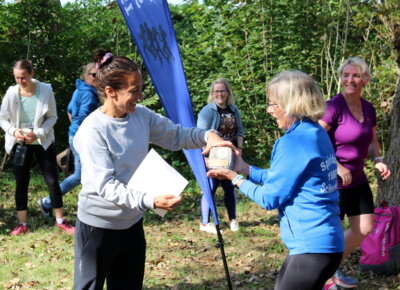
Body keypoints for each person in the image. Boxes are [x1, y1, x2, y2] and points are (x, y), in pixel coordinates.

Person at [72, 49, 236, 289]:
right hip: (98, 227)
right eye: (133, 90)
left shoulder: (141, 116)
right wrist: (151, 201)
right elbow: (106, 186)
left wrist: (207, 136)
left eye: (140, 88)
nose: (140, 96)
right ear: (110, 92)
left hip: (131, 225)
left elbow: (176, 135)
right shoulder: (92, 131)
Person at [207, 70, 344, 290]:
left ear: (291, 105)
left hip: (310, 247)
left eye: (273, 104)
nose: (270, 111)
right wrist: (246, 169)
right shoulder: (316, 132)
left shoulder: (292, 141)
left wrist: (234, 177)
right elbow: (289, 179)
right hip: (328, 244)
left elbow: (269, 198)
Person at [319, 57, 391, 289]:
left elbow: (371, 138)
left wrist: (378, 159)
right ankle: (325, 278)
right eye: (346, 75)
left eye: (356, 75)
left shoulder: (368, 108)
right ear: (341, 78)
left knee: (364, 227)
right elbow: (315, 137)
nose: (350, 80)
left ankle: (332, 266)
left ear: (365, 79)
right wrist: (335, 165)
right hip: (332, 179)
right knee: (332, 231)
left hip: (357, 178)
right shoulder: (333, 106)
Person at [0, 59, 75, 235]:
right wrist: (14, 131)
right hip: (20, 143)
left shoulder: (46, 90)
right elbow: (2, 119)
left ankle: (60, 220)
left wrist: (39, 132)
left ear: (32, 73)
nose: (20, 81)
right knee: (21, 182)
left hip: (43, 142)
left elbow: (53, 117)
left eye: (23, 78)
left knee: (52, 180)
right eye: (17, 78)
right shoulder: (12, 93)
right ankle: (22, 224)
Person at [39, 63, 99, 217]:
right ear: (85, 76)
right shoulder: (90, 94)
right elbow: (83, 117)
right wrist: (82, 136)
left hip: (74, 135)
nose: (97, 77)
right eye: (94, 74)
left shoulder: (80, 89)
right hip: (81, 137)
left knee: (86, 174)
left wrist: (74, 130)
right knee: (79, 176)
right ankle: (47, 202)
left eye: (100, 75)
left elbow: (69, 111)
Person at [197, 78, 244, 233]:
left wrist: (240, 151)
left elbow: (239, 132)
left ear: (227, 92)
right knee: (211, 187)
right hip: (213, 155)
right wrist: (206, 157)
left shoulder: (233, 110)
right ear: (212, 93)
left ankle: (233, 220)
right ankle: (205, 223)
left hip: (230, 155)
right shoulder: (207, 111)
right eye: (216, 91)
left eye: (222, 90)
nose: (219, 94)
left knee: (230, 187)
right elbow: (201, 135)